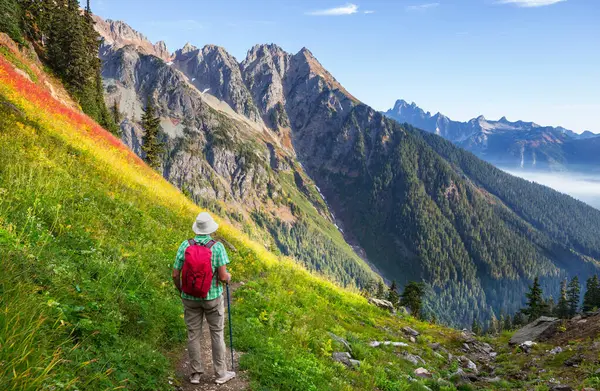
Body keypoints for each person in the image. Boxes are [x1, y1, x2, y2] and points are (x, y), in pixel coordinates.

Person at [172, 212, 236, 385]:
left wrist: (181, 290)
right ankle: (221, 374)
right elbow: (223, 277)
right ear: (210, 229)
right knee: (216, 333)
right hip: (212, 298)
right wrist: (228, 277)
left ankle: (195, 374)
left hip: (189, 296)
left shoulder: (185, 245)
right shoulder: (217, 247)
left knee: (193, 334)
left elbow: (175, 273)